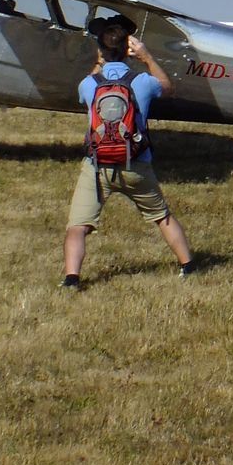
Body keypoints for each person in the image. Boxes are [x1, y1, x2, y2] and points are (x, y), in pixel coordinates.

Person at [62, 16, 193, 288]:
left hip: (97, 166)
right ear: (127, 50)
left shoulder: (88, 85)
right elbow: (167, 87)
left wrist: (99, 61)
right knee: (162, 217)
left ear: (101, 51)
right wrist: (147, 57)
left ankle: (72, 279)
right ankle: (188, 266)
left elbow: (83, 91)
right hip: (136, 163)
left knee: (77, 227)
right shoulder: (143, 81)